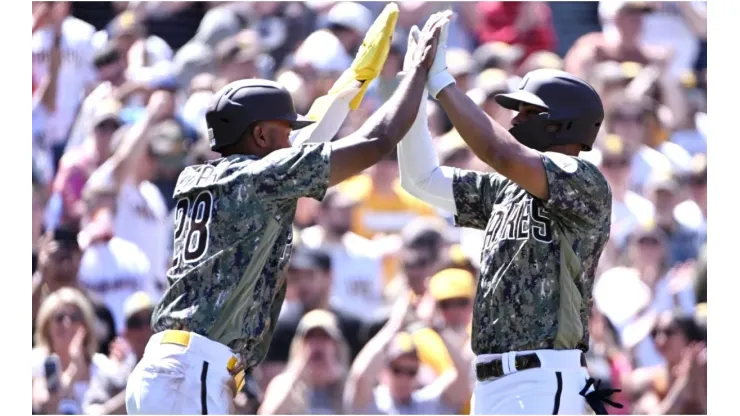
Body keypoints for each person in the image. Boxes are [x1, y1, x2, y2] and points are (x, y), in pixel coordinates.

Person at [124, 10, 446, 414]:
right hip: (191, 371)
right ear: (259, 135)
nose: (292, 136)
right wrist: (416, 74)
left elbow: (297, 150)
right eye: (283, 129)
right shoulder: (259, 179)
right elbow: (377, 140)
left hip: (173, 367)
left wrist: (347, 88)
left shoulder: (199, 177)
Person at [397, 13, 618, 414]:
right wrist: (411, 91)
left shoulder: (584, 179)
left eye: (527, 112)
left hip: (542, 377)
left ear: (562, 124)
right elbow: (421, 180)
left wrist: (443, 84)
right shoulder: (506, 187)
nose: (514, 120)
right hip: (492, 381)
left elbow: (499, 152)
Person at [344, 293, 471, 415]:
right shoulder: (374, 404)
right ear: (383, 369)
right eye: (397, 369)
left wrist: (436, 327)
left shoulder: (428, 403)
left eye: (411, 371)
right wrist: (394, 326)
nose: (404, 378)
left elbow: (465, 376)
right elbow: (359, 377)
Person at [32, 288, 114, 415]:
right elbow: (44, 405)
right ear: (47, 326)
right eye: (59, 317)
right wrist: (73, 370)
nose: (67, 323)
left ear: (86, 324)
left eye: (75, 317)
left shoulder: (102, 365)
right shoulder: (36, 362)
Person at [259, 310, 351, 415]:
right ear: (299, 346)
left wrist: (341, 378)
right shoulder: (283, 385)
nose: (317, 343)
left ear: (336, 346)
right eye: (310, 337)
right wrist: (294, 375)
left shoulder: (349, 388)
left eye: (325, 337)